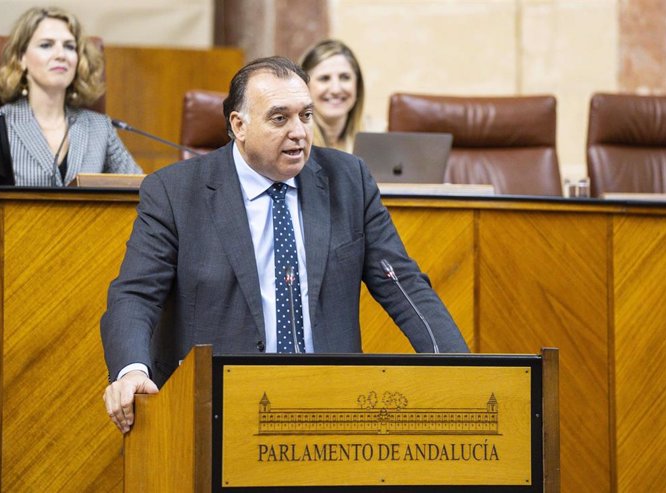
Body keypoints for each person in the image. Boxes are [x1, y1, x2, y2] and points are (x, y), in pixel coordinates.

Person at [101, 56, 468, 433]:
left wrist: (463, 369)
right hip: (215, 406)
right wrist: (131, 370)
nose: (299, 132)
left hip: (330, 406)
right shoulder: (175, 191)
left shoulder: (348, 180)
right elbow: (136, 294)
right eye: (280, 118)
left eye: (306, 116)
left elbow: (401, 282)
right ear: (238, 125)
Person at [0, 7, 141, 187]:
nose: (61, 55)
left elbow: (140, 192)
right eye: (46, 45)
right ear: (21, 58)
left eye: (69, 46)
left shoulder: (100, 128)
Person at [299, 39, 364, 152]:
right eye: (324, 78)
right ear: (304, 86)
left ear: (357, 86)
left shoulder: (375, 142)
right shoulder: (295, 145)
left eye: (344, 77)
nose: (336, 89)